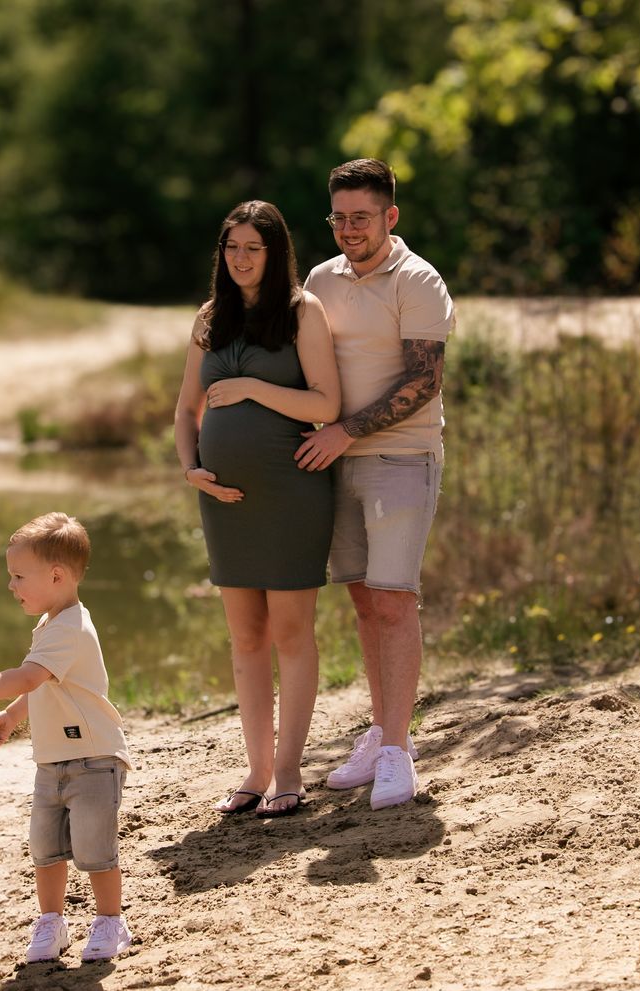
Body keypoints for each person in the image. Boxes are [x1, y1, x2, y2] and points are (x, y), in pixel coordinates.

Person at [173, 201, 342, 818]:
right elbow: (186, 409)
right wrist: (191, 469)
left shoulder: (303, 311)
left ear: (275, 253)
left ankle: (291, 773)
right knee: (245, 638)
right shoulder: (210, 317)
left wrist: (250, 388)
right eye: (232, 247)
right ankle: (256, 770)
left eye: (253, 248)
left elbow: (327, 403)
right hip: (224, 501)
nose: (241, 258)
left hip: (292, 493)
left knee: (292, 634)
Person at [295, 158, 455, 810]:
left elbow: (424, 382)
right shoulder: (319, 280)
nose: (348, 229)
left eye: (361, 217)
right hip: (335, 462)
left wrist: (346, 432)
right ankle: (384, 731)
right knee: (363, 599)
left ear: (390, 216)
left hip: (401, 460)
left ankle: (397, 751)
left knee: (394, 600)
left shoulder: (418, 281)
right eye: (338, 217)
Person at [0, 512, 132, 964]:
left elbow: (26, 676)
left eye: (18, 576)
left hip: (93, 758)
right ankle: (51, 923)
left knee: (96, 848)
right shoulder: (51, 624)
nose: (11, 586)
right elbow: (42, 685)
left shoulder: (71, 627)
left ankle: (110, 921)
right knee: (46, 848)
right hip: (52, 760)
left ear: (56, 576)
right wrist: (12, 716)